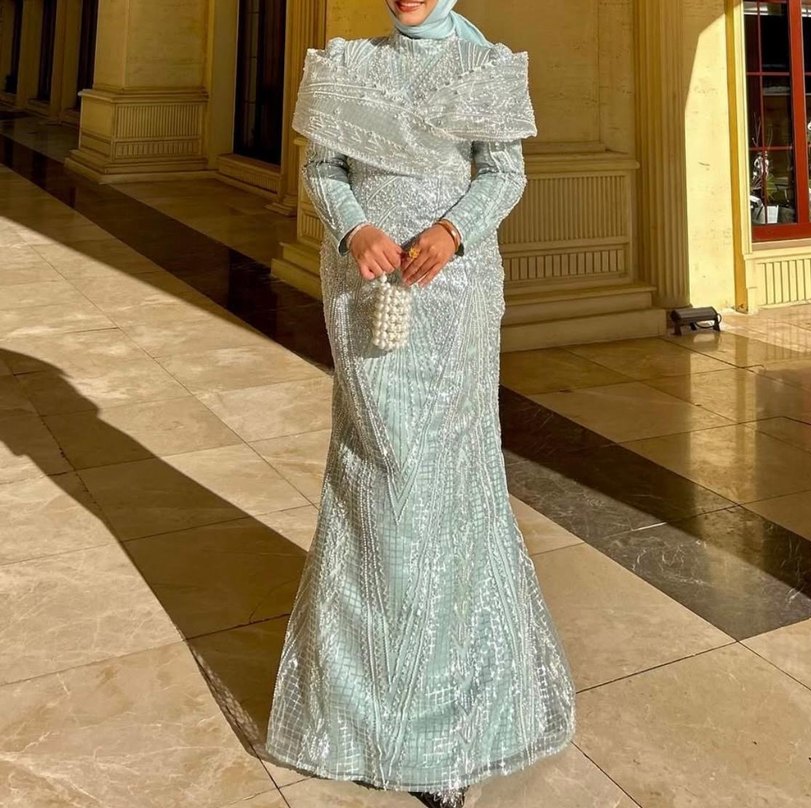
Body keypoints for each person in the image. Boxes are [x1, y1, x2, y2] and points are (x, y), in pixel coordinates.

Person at [266, 2, 576, 806]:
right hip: (365, 291)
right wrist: (354, 229)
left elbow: (504, 173)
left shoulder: (486, 65)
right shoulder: (348, 63)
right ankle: (359, 711)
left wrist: (452, 232)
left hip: (453, 294)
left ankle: (447, 727)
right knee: (375, 472)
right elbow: (323, 168)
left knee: (441, 479)